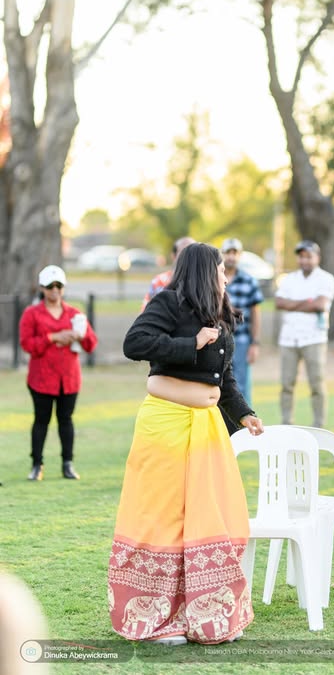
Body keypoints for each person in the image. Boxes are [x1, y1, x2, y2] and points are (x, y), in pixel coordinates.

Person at [109, 243, 264, 645]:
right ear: (202, 271)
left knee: (209, 516)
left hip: (208, 428)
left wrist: (244, 413)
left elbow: (223, 378)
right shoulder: (168, 304)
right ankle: (158, 619)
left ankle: (207, 616)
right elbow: (135, 343)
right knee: (165, 517)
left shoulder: (220, 312)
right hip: (166, 425)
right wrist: (189, 344)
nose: (226, 275)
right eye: (219, 269)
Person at [19, 265, 98, 481]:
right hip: (41, 378)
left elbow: (91, 344)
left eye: (59, 286)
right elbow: (27, 344)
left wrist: (79, 336)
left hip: (69, 378)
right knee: (41, 420)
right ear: (42, 288)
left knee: (66, 420)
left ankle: (67, 463)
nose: (55, 290)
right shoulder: (32, 314)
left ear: (64, 288)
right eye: (50, 286)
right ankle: (37, 464)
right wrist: (53, 338)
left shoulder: (75, 314)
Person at [275, 240, 334, 428]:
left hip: (314, 338)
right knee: (287, 385)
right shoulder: (289, 279)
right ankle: (287, 424)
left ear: (317, 257)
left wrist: (292, 304)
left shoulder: (326, 279)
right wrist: (307, 303)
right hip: (288, 339)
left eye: (308, 256)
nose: (304, 260)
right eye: (301, 256)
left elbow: (319, 305)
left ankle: (318, 426)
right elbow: (279, 303)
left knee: (316, 384)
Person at [221, 238, 264, 412]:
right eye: (228, 253)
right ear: (222, 254)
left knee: (242, 385)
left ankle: (245, 427)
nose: (231, 257)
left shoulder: (249, 281)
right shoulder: (215, 278)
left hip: (242, 340)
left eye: (235, 253)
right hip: (219, 339)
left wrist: (255, 343)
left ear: (239, 255)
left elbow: (255, 314)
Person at [141, 236, 196, 311]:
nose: (190, 256)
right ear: (174, 256)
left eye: (194, 253)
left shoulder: (204, 281)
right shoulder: (159, 281)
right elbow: (145, 312)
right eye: (184, 252)